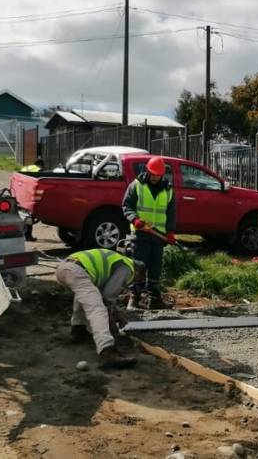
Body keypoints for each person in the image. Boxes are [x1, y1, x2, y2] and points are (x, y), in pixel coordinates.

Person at [55, 248, 147, 369]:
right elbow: (108, 296)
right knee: (97, 308)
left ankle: (78, 331)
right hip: (76, 270)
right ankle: (107, 351)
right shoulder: (127, 268)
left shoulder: (118, 260)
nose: (132, 283)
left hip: (64, 268)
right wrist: (113, 327)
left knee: (86, 295)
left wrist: (116, 313)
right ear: (138, 272)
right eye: (137, 280)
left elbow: (103, 292)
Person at [122, 156, 176, 310]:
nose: (154, 177)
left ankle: (154, 298)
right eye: (152, 174)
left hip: (158, 236)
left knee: (155, 268)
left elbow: (171, 212)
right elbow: (127, 206)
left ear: (162, 174)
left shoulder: (168, 189)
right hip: (140, 235)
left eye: (158, 175)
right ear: (148, 171)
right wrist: (135, 220)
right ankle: (135, 296)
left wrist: (170, 231)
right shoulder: (137, 186)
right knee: (139, 266)